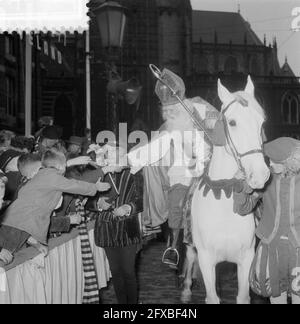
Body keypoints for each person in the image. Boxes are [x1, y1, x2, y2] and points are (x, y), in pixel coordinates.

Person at [0, 148, 111, 265]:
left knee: (10, 257)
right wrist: (96, 188)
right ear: (61, 166)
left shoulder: (39, 178)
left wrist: (36, 244)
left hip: (15, 225)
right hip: (15, 227)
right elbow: (73, 185)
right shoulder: (51, 176)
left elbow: (29, 220)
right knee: (6, 260)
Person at [235, 137, 300, 304]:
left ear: (287, 162)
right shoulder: (266, 181)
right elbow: (243, 208)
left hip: (298, 250)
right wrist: (241, 187)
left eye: (272, 160)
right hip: (272, 249)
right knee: (276, 296)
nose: (268, 164)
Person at [92, 142, 143, 304]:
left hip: (127, 229)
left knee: (128, 271)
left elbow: (142, 200)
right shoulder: (98, 174)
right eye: (119, 157)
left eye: (123, 156)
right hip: (106, 228)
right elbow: (87, 200)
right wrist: (97, 204)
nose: (123, 159)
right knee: (115, 272)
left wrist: (128, 207)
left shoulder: (134, 174)